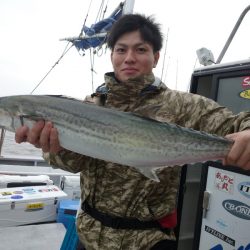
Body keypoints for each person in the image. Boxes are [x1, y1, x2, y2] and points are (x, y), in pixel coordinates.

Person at [15, 14, 250, 250]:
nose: (129, 58)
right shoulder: (91, 105)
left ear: (155, 57)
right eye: (121, 50)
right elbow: (75, 163)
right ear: (112, 56)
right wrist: (53, 149)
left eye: (140, 50)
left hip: (149, 241)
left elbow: (238, 123)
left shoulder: (183, 105)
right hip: (90, 237)